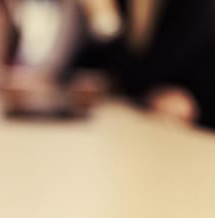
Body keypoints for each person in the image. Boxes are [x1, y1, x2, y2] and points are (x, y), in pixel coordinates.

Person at [71, 0, 215, 129]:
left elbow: (188, 51)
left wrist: (104, 19)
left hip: (192, 110)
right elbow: (94, 58)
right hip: (137, 115)